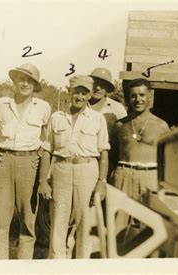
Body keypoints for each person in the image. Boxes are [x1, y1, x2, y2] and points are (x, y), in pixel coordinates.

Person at [38, 75, 109, 259]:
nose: (80, 97)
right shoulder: (57, 117)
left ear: (90, 94)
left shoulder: (97, 118)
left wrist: (101, 181)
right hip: (61, 170)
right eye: (76, 92)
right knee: (58, 223)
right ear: (69, 92)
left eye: (84, 93)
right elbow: (47, 150)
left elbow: (103, 152)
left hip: (87, 170)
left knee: (85, 224)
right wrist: (43, 181)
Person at [0, 63, 51, 259]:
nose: (25, 84)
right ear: (14, 81)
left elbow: (49, 139)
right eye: (21, 79)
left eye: (30, 81)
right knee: (1, 222)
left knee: (28, 222)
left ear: (35, 85)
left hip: (30, 164)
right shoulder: (1, 104)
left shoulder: (43, 108)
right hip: (3, 163)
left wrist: (40, 158)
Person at [108, 78, 170, 232]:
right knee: (118, 227)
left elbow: (166, 160)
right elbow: (112, 156)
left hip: (149, 177)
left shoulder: (161, 125)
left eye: (142, 95)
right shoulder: (120, 125)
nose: (138, 100)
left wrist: (161, 186)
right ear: (128, 98)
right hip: (123, 175)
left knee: (149, 227)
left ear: (150, 96)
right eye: (133, 96)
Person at [88, 67, 127, 177]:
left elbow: (124, 137)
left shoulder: (117, 108)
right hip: (86, 159)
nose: (98, 88)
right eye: (95, 83)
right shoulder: (83, 106)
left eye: (103, 84)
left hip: (110, 159)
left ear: (108, 88)